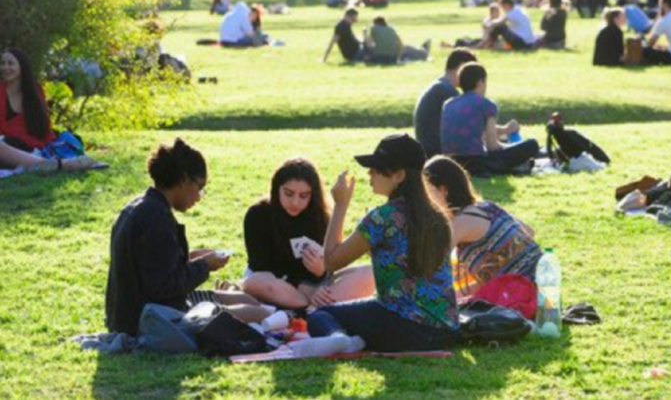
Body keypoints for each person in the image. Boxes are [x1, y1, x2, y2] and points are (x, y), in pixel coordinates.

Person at [306, 134, 459, 352]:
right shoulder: (439, 216)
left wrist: (340, 205)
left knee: (321, 315)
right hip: (446, 331)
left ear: (398, 175)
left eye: (377, 168)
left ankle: (340, 339)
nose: (370, 173)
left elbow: (330, 261)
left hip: (405, 330)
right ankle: (349, 339)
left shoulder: (382, 218)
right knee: (371, 308)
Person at [105, 139, 271, 336]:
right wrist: (205, 265)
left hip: (135, 311)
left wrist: (192, 257)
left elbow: (152, 264)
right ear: (184, 180)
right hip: (149, 320)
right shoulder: (155, 217)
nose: (199, 196)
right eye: (199, 187)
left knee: (247, 300)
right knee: (257, 313)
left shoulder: (141, 206)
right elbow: (163, 286)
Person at [241, 158, 375, 309]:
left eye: (304, 196)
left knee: (369, 273)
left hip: (316, 286)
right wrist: (306, 289)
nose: (295, 202)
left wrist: (322, 270)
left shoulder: (320, 216)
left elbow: (332, 264)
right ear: (277, 188)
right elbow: (260, 266)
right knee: (256, 281)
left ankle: (307, 310)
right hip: (278, 285)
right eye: (288, 193)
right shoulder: (258, 214)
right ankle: (311, 308)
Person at [423, 156, 542, 295]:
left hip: (520, 297)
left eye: (427, 192)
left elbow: (431, 265)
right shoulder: (487, 206)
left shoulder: (459, 223)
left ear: (443, 190)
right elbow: (529, 231)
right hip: (543, 288)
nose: (425, 199)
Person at [440, 63, 539, 176]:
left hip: (451, 162)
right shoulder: (487, 105)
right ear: (480, 82)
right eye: (485, 82)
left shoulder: (448, 104)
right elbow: (492, 146)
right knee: (532, 144)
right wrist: (511, 146)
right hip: (478, 163)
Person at [413, 49, 479, 158]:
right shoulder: (446, 91)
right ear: (462, 67)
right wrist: (504, 130)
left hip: (430, 150)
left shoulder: (440, 86)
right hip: (439, 153)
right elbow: (471, 126)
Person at [365, 16, 431, 64]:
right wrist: (398, 55)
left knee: (408, 52)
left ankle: (423, 51)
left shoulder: (374, 28)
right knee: (407, 49)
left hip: (380, 57)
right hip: (393, 57)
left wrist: (364, 34)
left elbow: (369, 44)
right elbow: (400, 44)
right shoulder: (391, 29)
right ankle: (424, 51)